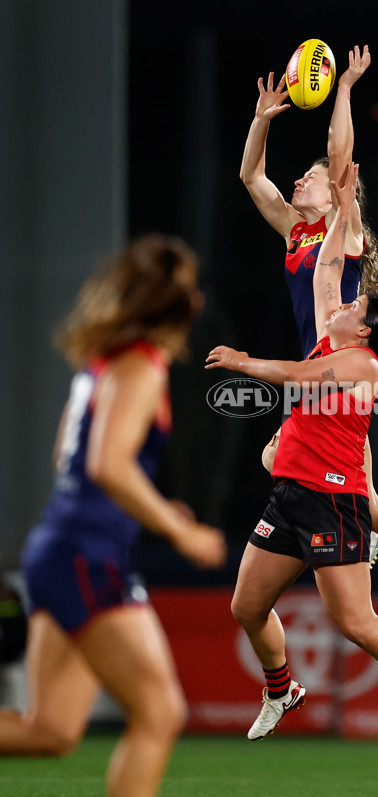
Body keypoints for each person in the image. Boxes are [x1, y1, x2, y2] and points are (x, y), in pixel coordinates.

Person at [207, 165, 378, 757]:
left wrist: (242, 361)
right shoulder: (328, 336)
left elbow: (293, 375)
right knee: (246, 605)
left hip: (333, 499)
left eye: (353, 305)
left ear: (364, 329)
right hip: (291, 493)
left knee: (356, 622)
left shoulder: (361, 365)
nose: (341, 301)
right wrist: (340, 206)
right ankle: (282, 689)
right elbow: (325, 268)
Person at [0, 235, 227, 797]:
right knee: (160, 712)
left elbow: (69, 457)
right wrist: (180, 529)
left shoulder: (106, 363)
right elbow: (107, 464)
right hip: (86, 557)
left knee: (50, 731)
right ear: (186, 306)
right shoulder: (140, 367)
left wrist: (140, 499)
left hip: (63, 548)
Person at [240, 46, 378, 628]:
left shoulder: (344, 233)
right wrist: (262, 120)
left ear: (335, 193)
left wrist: (344, 87)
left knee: (316, 468)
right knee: (335, 474)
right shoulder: (298, 233)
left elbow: (342, 156)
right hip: (315, 367)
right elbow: (251, 175)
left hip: (338, 371)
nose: (302, 180)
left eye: (313, 178)